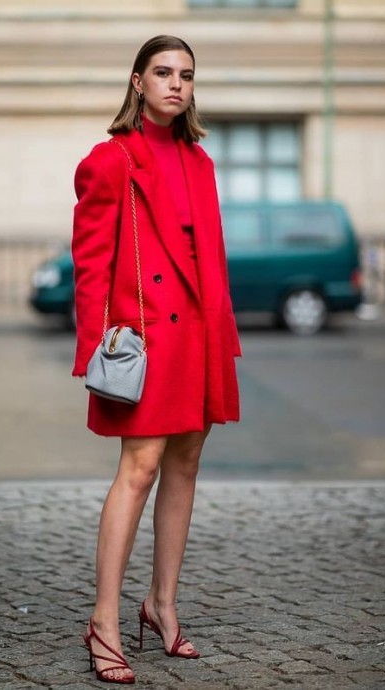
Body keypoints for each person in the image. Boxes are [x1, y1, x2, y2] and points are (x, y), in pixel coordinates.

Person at [71, 34, 241, 685]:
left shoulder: (200, 161)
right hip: (148, 338)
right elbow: (90, 264)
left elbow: (211, 261)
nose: (177, 84)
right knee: (138, 470)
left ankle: (161, 604)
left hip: (199, 336)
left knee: (187, 464)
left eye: (187, 75)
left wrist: (223, 335)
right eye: (164, 72)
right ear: (137, 81)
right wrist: (95, 348)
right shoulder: (111, 160)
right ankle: (105, 620)